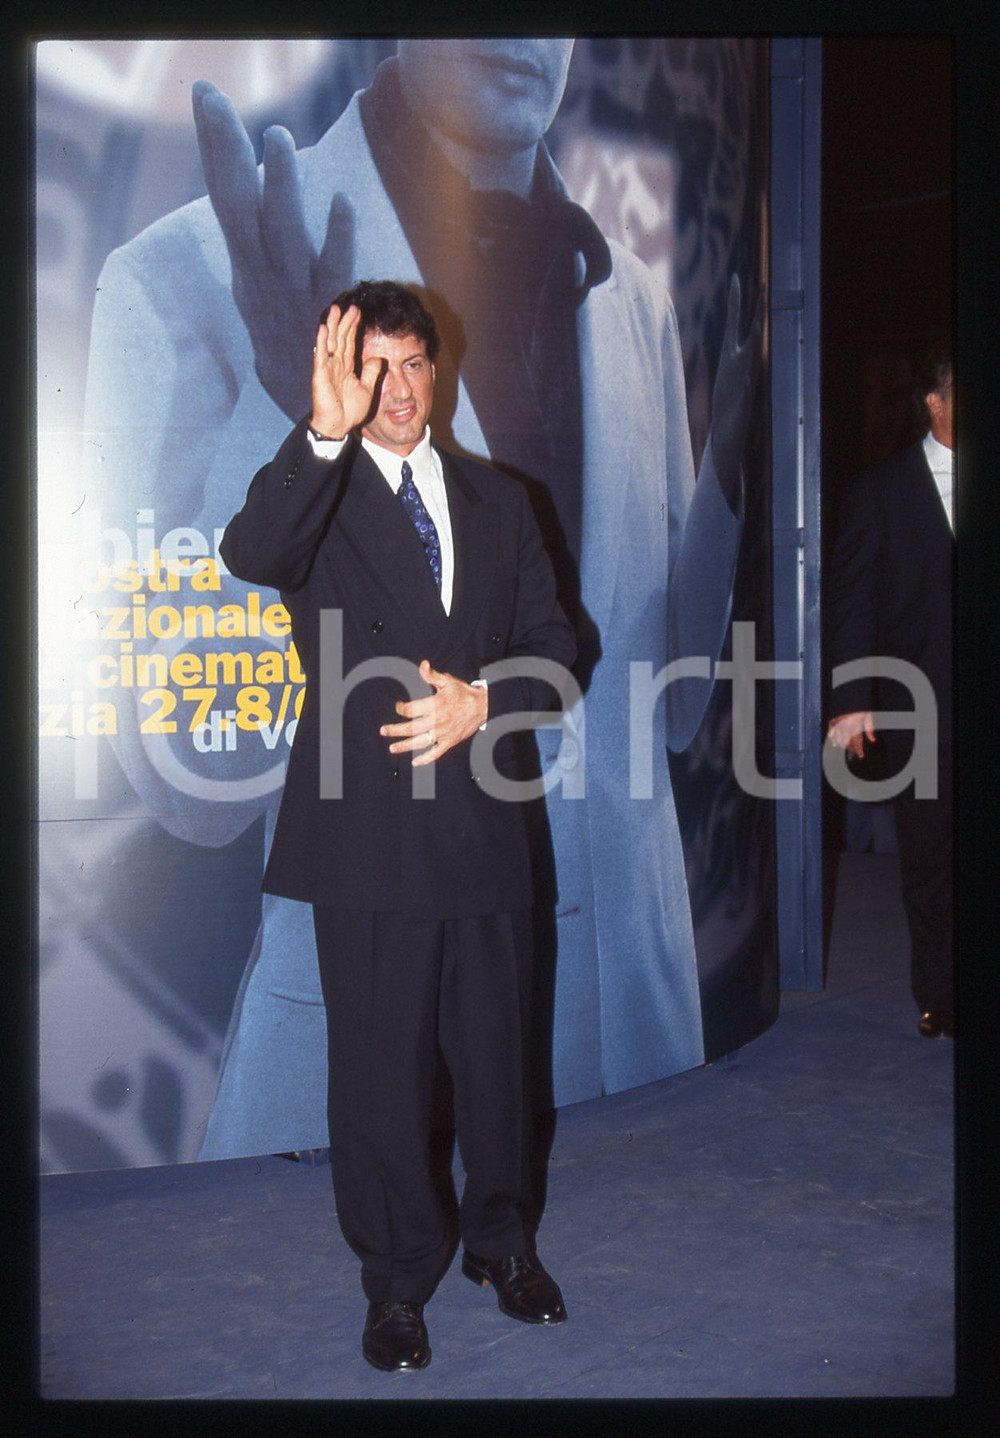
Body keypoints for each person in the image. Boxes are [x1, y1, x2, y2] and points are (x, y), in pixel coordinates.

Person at [83, 38, 762, 1159]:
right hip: (362, 1024)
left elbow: (671, 710)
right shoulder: (188, 276)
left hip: (635, 1022)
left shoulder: (630, 299)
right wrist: (293, 412)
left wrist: (727, 495)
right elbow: (186, 777)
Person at [220, 281, 576, 1370]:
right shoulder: (314, 498)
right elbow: (248, 550)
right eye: (373, 368)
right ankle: (394, 1278)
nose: (398, 389)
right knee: (378, 1069)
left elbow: (557, 646)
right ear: (344, 377)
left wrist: (487, 700)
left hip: (480, 822)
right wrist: (318, 431)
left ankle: (501, 1240)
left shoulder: (499, 498)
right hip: (367, 832)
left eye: (413, 364)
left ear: (439, 369)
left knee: (498, 1058)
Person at [826, 345, 954, 1039]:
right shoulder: (881, 491)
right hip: (921, 713)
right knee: (932, 860)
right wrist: (850, 702)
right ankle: (941, 994)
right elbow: (852, 604)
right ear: (935, 402)